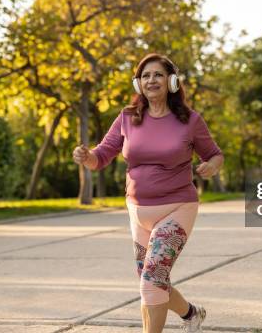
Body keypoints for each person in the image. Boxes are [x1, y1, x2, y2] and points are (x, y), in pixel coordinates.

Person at [72, 53, 224, 333]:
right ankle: (191, 314)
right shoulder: (127, 118)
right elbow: (102, 155)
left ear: (172, 81)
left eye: (158, 74)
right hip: (138, 211)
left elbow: (215, 154)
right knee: (153, 280)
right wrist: (86, 156)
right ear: (138, 84)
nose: (151, 80)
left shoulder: (189, 120)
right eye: (145, 76)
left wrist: (211, 167)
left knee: (151, 279)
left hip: (177, 208)